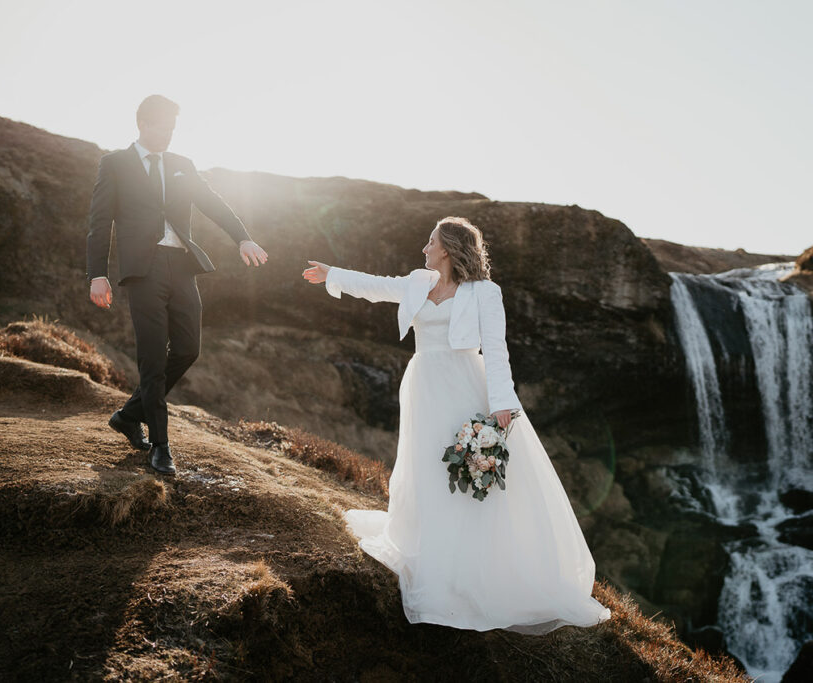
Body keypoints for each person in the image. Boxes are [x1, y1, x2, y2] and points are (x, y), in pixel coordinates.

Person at [302, 216, 611, 634]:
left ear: (447, 247)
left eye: (430, 242)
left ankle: (477, 565)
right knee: (426, 464)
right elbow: (377, 286)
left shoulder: (485, 292)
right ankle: (429, 548)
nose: (424, 248)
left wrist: (502, 403)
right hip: (425, 385)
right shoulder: (416, 282)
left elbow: (497, 348)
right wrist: (331, 275)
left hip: (467, 384)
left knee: (468, 469)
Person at [86, 94, 268, 475]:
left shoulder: (182, 164)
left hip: (181, 265)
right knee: (152, 358)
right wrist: (97, 273)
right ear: (143, 124)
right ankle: (160, 445)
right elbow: (101, 221)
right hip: (143, 270)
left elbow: (212, 203)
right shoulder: (115, 164)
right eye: (162, 127)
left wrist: (243, 237)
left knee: (188, 348)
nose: (168, 134)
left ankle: (128, 415)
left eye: (172, 128)